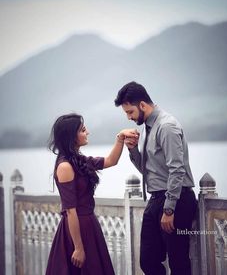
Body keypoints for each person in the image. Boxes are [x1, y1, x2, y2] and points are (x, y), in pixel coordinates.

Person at [114, 81, 197, 275]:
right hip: (156, 200)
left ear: (142, 105)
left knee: (178, 262)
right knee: (148, 261)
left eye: (130, 112)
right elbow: (149, 170)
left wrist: (169, 209)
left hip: (176, 200)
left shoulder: (166, 126)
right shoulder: (147, 128)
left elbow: (177, 170)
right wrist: (133, 149)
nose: (129, 118)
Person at [46, 113, 138, 275]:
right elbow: (70, 210)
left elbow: (111, 161)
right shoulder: (65, 166)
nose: (87, 132)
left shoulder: (79, 160)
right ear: (71, 136)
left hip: (89, 224)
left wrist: (120, 139)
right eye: (82, 130)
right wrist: (78, 248)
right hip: (76, 230)